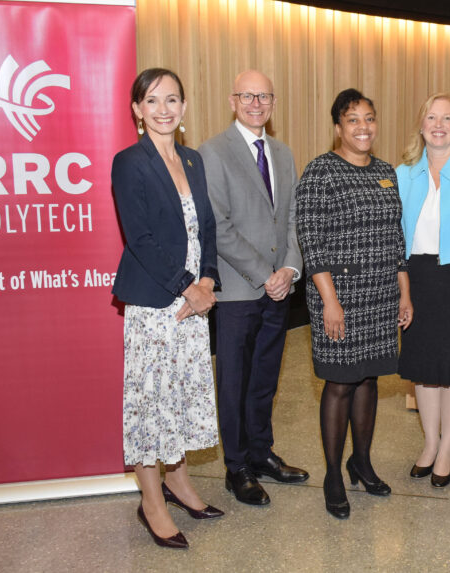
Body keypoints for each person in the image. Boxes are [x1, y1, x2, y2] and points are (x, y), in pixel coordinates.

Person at [111, 68, 223, 549]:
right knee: (151, 404)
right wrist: (187, 288)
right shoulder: (128, 162)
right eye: (152, 101)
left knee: (179, 397)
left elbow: (209, 229)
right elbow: (140, 238)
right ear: (137, 109)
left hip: (193, 302)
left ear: (183, 108)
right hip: (156, 304)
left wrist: (209, 279)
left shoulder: (193, 160)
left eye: (172, 100)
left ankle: (179, 482)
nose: (163, 109)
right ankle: (151, 501)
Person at [296, 89, 413, 519]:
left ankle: (360, 462)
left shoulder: (386, 172)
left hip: (381, 296)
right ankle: (332, 473)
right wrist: (330, 302)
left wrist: (404, 291)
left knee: (369, 381)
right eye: (353, 120)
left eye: (369, 118)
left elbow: (395, 237)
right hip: (338, 298)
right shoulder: (320, 172)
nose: (363, 127)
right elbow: (313, 243)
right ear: (338, 128)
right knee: (341, 383)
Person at [198, 70, 308, 507]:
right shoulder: (213, 152)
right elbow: (219, 227)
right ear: (233, 100)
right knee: (235, 381)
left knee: (265, 379)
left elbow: (294, 219)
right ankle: (237, 466)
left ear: (273, 102)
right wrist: (266, 273)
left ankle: (261, 454)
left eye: (264, 96)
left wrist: (290, 270)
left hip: (279, 289)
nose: (256, 103)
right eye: (248, 95)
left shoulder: (282, 153)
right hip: (240, 292)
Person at [396, 93, 450, 488]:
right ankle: (429, 444)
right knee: (425, 369)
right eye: (431, 116)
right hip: (415, 277)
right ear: (421, 124)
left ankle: (448, 447)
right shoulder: (402, 174)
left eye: (447, 118)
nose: (439, 124)